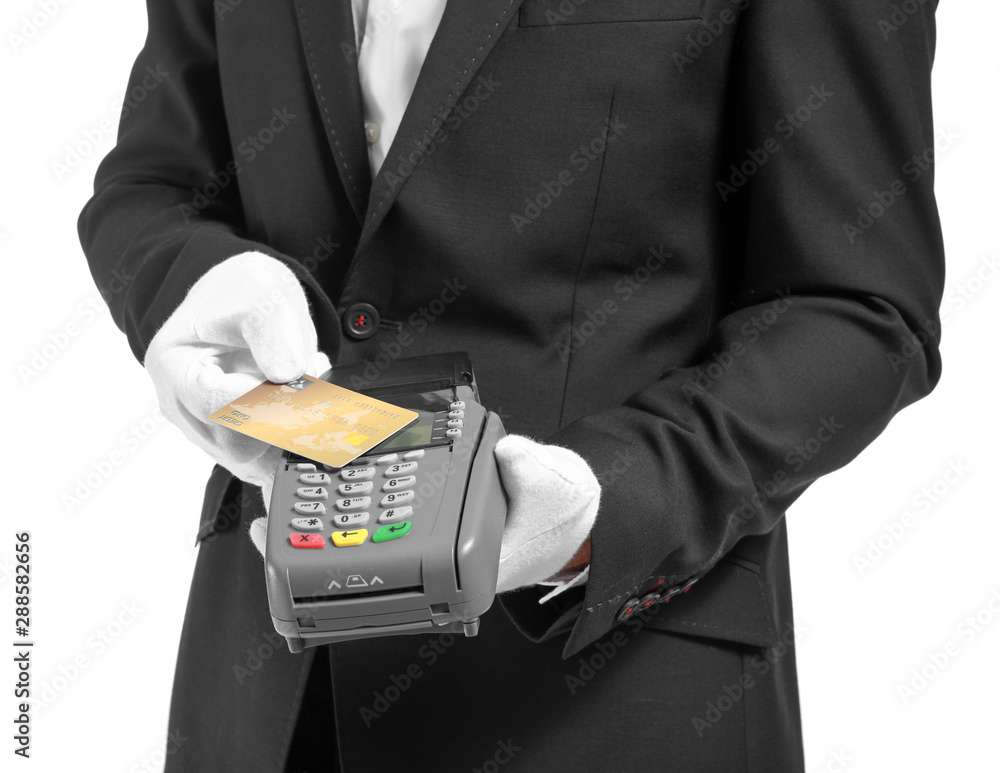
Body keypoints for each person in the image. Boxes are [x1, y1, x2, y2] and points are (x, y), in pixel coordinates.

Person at [78, 0, 945, 770]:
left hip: (612, 693)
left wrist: (610, 493)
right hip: (265, 693)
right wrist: (187, 279)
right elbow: (154, 181)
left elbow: (858, 307)